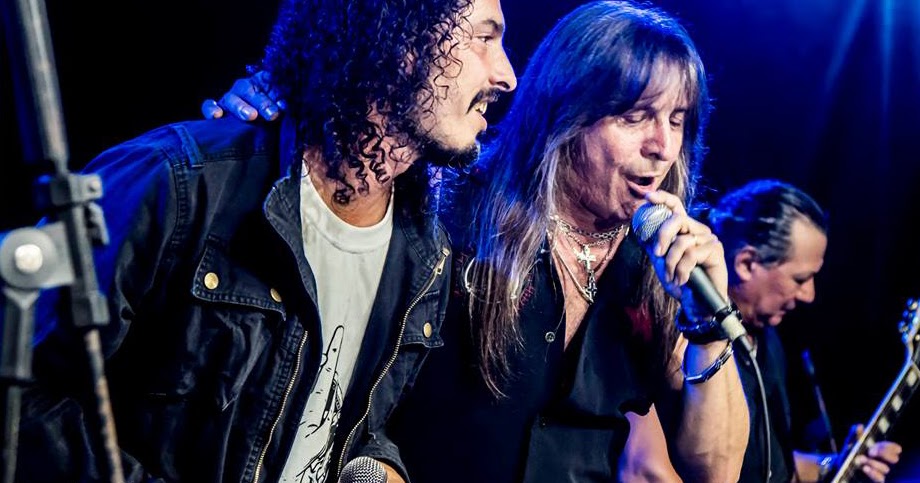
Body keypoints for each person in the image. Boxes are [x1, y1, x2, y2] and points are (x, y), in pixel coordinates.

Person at [202, 1, 751, 481]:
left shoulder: (657, 263)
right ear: (566, 111)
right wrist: (291, 110)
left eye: (677, 121)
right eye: (635, 117)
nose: (662, 146)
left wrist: (707, 318)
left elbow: (716, 471)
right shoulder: (452, 204)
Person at [16, 0, 517, 481]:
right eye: (484, 37)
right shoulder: (181, 182)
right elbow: (24, 396)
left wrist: (377, 464)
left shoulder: (426, 255)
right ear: (403, 43)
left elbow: (332, 416)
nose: (507, 75)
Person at [707, 179, 902, 482]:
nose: (809, 295)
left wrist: (835, 465)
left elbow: (772, 466)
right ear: (746, 263)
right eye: (800, 279)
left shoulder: (769, 341)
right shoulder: (695, 345)